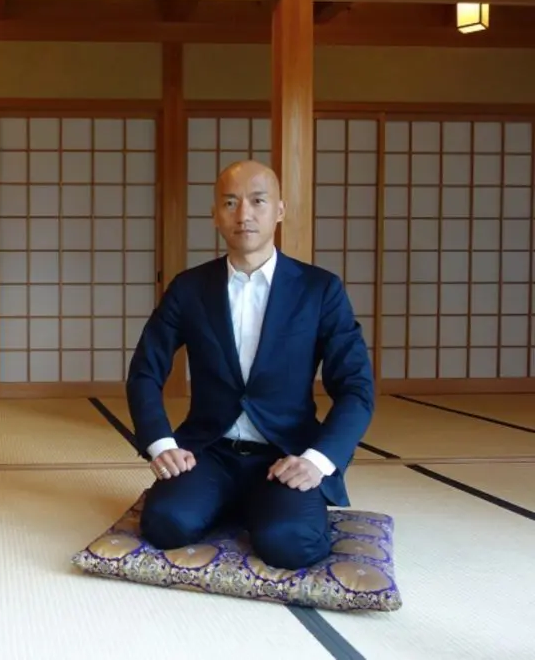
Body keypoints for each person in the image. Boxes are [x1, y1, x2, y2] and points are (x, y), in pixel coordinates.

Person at [125, 159, 374, 570]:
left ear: (279, 210)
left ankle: (264, 507)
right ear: (215, 215)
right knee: (165, 525)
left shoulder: (319, 289)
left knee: (291, 545)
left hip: (286, 453)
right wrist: (161, 444)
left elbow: (356, 387)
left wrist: (318, 460)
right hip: (209, 450)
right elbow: (145, 372)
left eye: (258, 201)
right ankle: (226, 500)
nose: (244, 214)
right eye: (230, 202)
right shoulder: (189, 288)